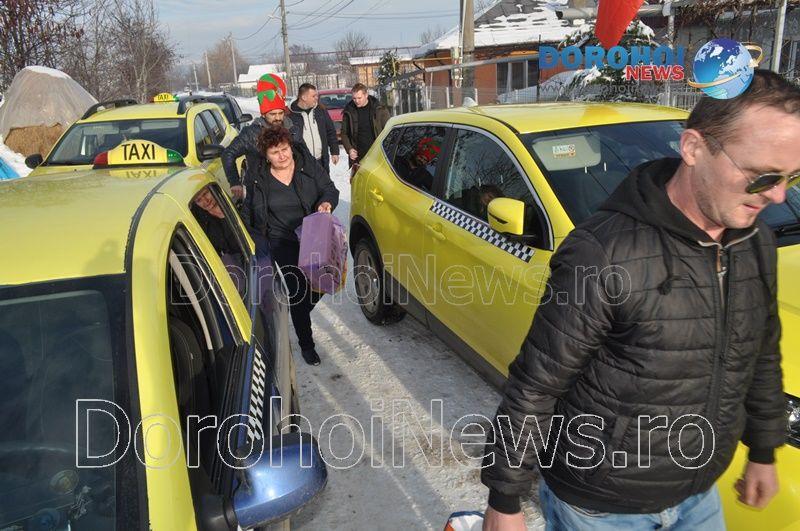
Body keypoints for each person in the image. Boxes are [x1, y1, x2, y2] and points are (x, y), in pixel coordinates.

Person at [481, 70, 800, 530]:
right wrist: (505, 499)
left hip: (698, 489)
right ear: (693, 148)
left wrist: (764, 449)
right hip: (602, 505)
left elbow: (761, 352)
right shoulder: (603, 253)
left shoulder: (753, 242)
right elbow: (537, 384)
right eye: (759, 177)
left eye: (791, 176)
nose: (777, 194)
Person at [239, 126, 339, 366]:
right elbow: (249, 210)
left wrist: (326, 202)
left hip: (313, 234)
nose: (282, 155)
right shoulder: (257, 176)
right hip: (281, 241)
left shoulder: (308, 166)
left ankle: (300, 310)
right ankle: (307, 345)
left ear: (291, 147)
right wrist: (246, 236)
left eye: (284, 149)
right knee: (298, 292)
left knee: (323, 283)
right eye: (274, 152)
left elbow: (329, 189)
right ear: (266, 155)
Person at [222, 73, 301, 201]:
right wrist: (234, 182)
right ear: (263, 114)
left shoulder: (292, 130)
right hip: (261, 193)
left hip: (291, 189)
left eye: (280, 113)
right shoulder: (251, 133)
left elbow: (304, 156)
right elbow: (228, 153)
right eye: (272, 114)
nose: (277, 118)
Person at [340, 83, 390, 175]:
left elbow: (388, 131)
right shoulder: (349, 110)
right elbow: (344, 133)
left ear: (366, 95)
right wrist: (349, 149)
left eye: (359, 98)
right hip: (358, 157)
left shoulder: (379, 109)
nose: (356, 101)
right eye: (354, 98)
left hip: (377, 154)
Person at [289, 83, 340, 173]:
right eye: (313, 96)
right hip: (302, 163)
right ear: (304, 97)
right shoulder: (290, 114)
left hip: (321, 160)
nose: (316, 98)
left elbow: (330, 131)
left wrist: (334, 151)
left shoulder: (321, 110)